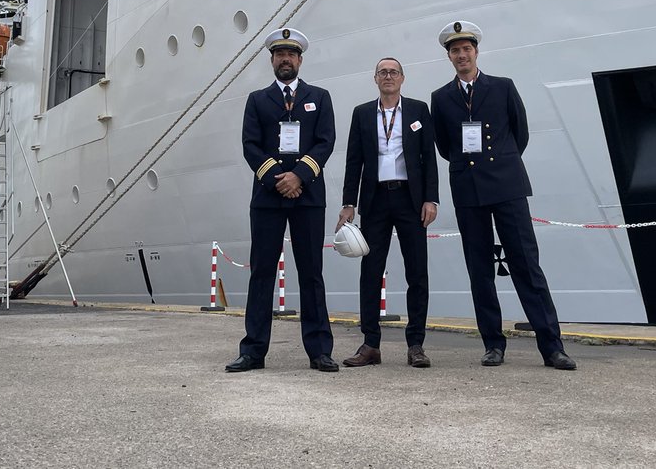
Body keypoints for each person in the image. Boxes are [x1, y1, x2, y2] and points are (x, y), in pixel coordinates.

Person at [429, 21, 576, 371]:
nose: (461, 55)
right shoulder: (441, 98)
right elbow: (446, 147)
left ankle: (552, 347)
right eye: (455, 50)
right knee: (479, 271)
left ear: (476, 52)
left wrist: (501, 164)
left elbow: (519, 133)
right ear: (449, 57)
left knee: (526, 265)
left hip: (507, 187)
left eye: (466, 49)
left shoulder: (503, 87)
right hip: (468, 189)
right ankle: (493, 344)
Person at [226, 27, 339, 373]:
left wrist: (299, 176)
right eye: (279, 55)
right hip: (268, 197)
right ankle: (253, 350)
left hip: (307, 197)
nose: (285, 60)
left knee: (311, 273)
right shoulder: (258, 100)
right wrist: (278, 178)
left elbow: (325, 141)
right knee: (262, 272)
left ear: (300, 60)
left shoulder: (319, 97)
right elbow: (250, 144)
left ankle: (319, 350)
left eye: (291, 55)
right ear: (272, 61)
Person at [336, 57, 440, 369]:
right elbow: (354, 160)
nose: (388, 77)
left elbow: (428, 158)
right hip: (375, 200)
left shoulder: (419, 110)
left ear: (402, 78)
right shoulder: (363, 113)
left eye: (393, 72)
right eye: (383, 72)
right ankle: (370, 344)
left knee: (417, 272)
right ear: (375, 79)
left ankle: (416, 344)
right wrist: (348, 203)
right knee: (370, 272)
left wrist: (431, 199)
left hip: (410, 199)